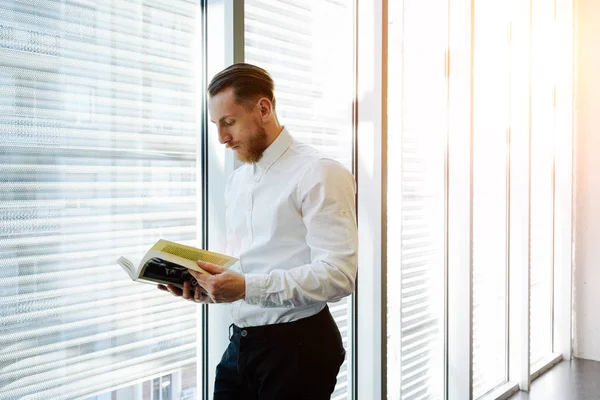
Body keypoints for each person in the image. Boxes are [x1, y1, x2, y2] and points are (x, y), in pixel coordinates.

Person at [157, 63, 358, 399]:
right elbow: (248, 266)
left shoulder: (320, 173)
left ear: (264, 108)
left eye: (229, 122)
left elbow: (339, 275)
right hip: (241, 346)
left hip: (298, 350)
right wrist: (209, 287)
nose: (221, 138)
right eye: (216, 125)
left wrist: (246, 286)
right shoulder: (238, 180)